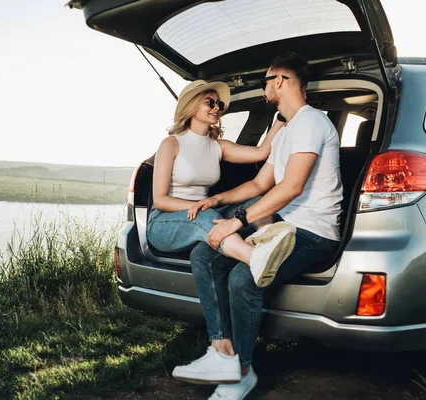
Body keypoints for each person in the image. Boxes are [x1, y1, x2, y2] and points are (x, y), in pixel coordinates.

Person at [171, 52, 343, 399]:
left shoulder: (311, 122)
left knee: (242, 279)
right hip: (284, 223)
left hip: (314, 232)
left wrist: (238, 220)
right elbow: (259, 185)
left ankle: (243, 372)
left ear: (281, 80)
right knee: (204, 256)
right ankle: (222, 353)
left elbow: (291, 187)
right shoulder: (285, 131)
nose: (262, 87)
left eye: (266, 80)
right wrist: (216, 201)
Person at [147, 79, 296, 289]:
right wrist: (200, 206)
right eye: (210, 102)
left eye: (219, 105)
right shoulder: (171, 143)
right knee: (207, 216)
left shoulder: (218, 147)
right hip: (164, 223)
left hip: (203, 213)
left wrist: (281, 119)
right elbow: (160, 200)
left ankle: (268, 242)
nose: (217, 108)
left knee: (256, 201)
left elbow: (261, 152)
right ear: (192, 106)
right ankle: (256, 258)